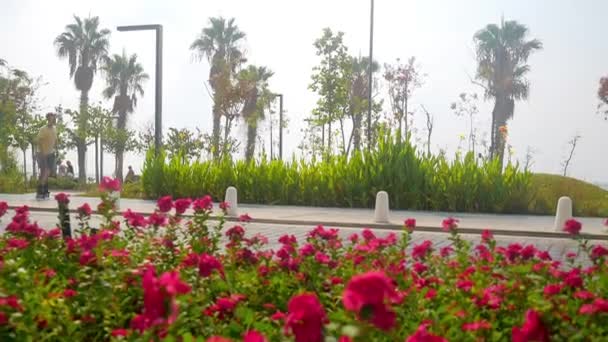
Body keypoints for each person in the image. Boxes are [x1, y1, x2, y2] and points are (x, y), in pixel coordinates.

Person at [36, 113, 57, 199]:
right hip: (42, 153)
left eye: (53, 118)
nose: (52, 120)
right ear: (48, 119)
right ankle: (41, 190)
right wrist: (42, 152)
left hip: (51, 153)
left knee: (47, 172)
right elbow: (39, 141)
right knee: (44, 172)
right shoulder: (43, 129)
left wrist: (56, 149)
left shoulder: (55, 129)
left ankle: (43, 190)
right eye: (51, 118)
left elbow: (55, 140)